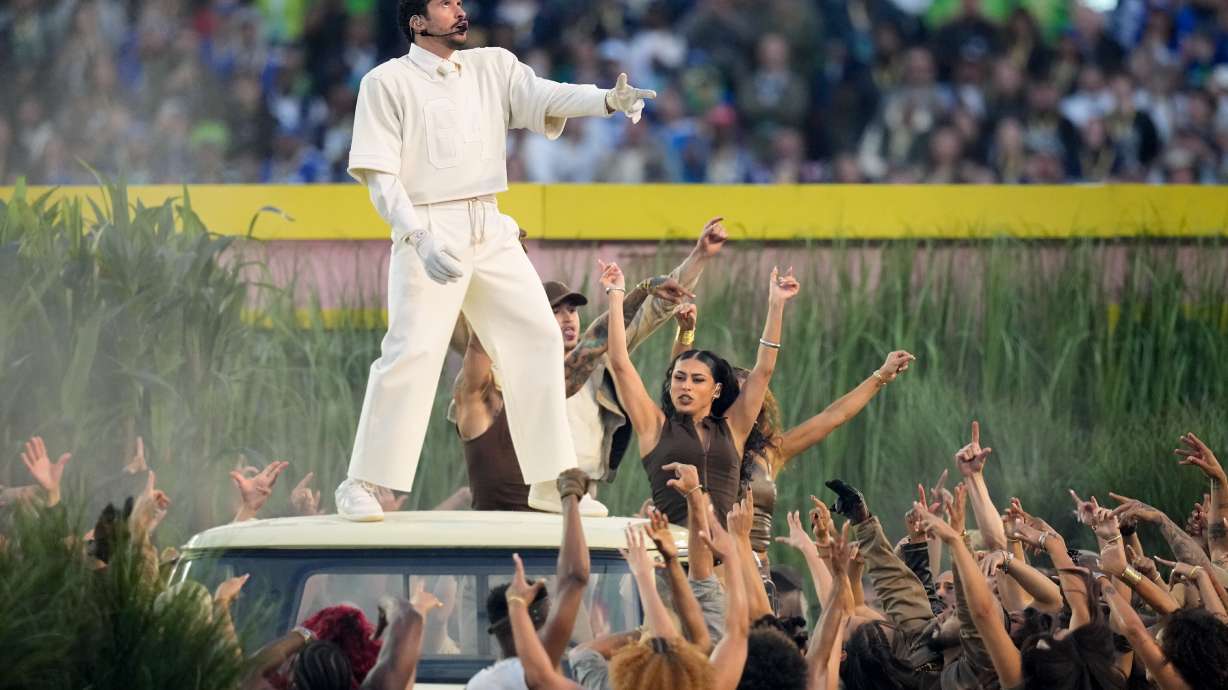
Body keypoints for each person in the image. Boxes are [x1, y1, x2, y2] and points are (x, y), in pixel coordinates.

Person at [336, 0, 656, 521]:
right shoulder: (385, 81)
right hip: (429, 225)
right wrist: (417, 236)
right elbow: (380, 177)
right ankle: (362, 483)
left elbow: (545, 95)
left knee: (540, 337)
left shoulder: (492, 66)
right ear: (417, 21)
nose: (459, 10)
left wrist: (606, 100)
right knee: (412, 352)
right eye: (445, 4)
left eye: (460, 2)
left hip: (490, 223)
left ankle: (553, 482)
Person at [451, 218, 728, 514]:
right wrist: (502, 260)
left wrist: (697, 258)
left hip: (578, 502)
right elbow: (480, 331)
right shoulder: (502, 374)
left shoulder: (592, 365)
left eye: (572, 309)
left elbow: (646, 313)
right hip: (512, 518)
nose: (568, 317)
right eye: (555, 311)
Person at [602, 258, 801, 527]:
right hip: (677, 555)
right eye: (679, 378)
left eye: (697, 380)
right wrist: (616, 294)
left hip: (725, 556)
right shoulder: (655, 427)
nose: (686, 385)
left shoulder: (733, 428)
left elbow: (763, 370)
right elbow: (620, 363)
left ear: (716, 389)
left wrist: (776, 304)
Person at [465, 468, 592, 690]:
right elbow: (575, 578)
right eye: (546, 621)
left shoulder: (479, 683)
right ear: (527, 625)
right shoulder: (534, 673)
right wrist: (570, 497)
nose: (554, 630)